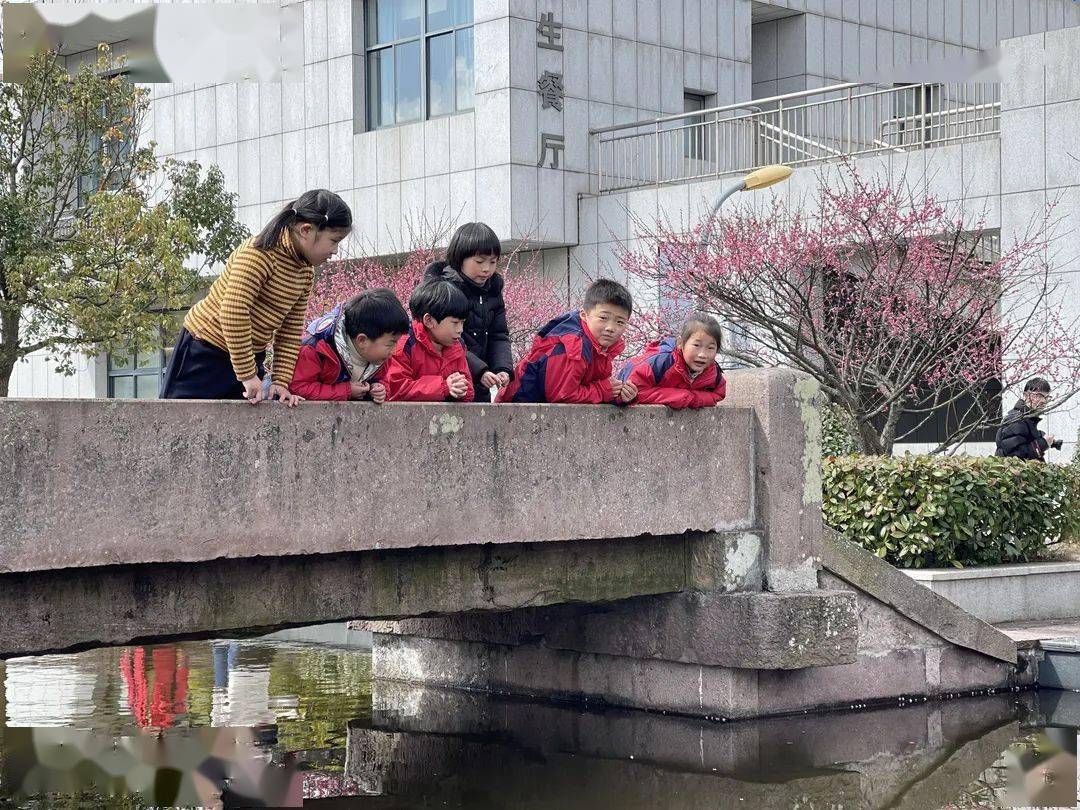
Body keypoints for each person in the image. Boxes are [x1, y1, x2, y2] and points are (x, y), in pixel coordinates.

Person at [160, 189, 352, 405]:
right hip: (205, 349)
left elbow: (290, 328)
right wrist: (248, 375)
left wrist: (281, 380)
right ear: (306, 230)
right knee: (181, 421)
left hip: (248, 355)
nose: (335, 251)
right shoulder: (258, 254)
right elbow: (233, 313)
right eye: (334, 241)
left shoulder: (304, 271)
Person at [497, 278, 636, 404]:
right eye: (603, 318)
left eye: (620, 322)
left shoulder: (601, 348)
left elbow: (598, 389)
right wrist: (605, 391)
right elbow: (562, 396)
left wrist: (620, 396)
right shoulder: (572, 345)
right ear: (584, 315)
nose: (611, 328)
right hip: (517, 413)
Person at [423, 222, 513, 402]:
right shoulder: (444, 291)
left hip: (482, 381)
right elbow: (448, 339)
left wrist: (502, 368)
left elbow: (499, 335)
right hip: (450, 381)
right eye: (479, 262)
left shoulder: (493, 291)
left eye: (493, 262)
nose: (486, 269)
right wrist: (479, 369)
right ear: (460, 258)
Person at [289, 288, 410, 402]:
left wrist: (379, 389)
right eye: (391, 344)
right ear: (362, 340)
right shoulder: (316, 348)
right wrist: (345, 391)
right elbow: (298, 387)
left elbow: (382, 380)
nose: (394, 351)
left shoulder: (378, 357)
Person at [384, 279, 475, 402]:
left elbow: (468, 388)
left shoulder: (457, 345)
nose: (460, 330)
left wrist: (462, 389)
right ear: (429, 321)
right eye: (455, 323)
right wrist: (443, 387)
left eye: (463, 322)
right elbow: (397, 389)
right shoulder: (405, 343)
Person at [618, 313, 728, 409]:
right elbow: (634, 392)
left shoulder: (713, 372)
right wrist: (681, 397)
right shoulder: (661, 362)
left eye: (710, 348)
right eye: (696, 345)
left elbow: (718, 394)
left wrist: (694, 399)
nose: (702, 354)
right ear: (681, 343)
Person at [995, 377, 1061, 461]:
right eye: (1039, 395)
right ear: (1025, 395)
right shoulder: (1016, 419)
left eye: (1047, 397)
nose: (1043, 400)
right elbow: (1014, 457)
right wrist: (1043, 443)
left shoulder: (1027, 419)